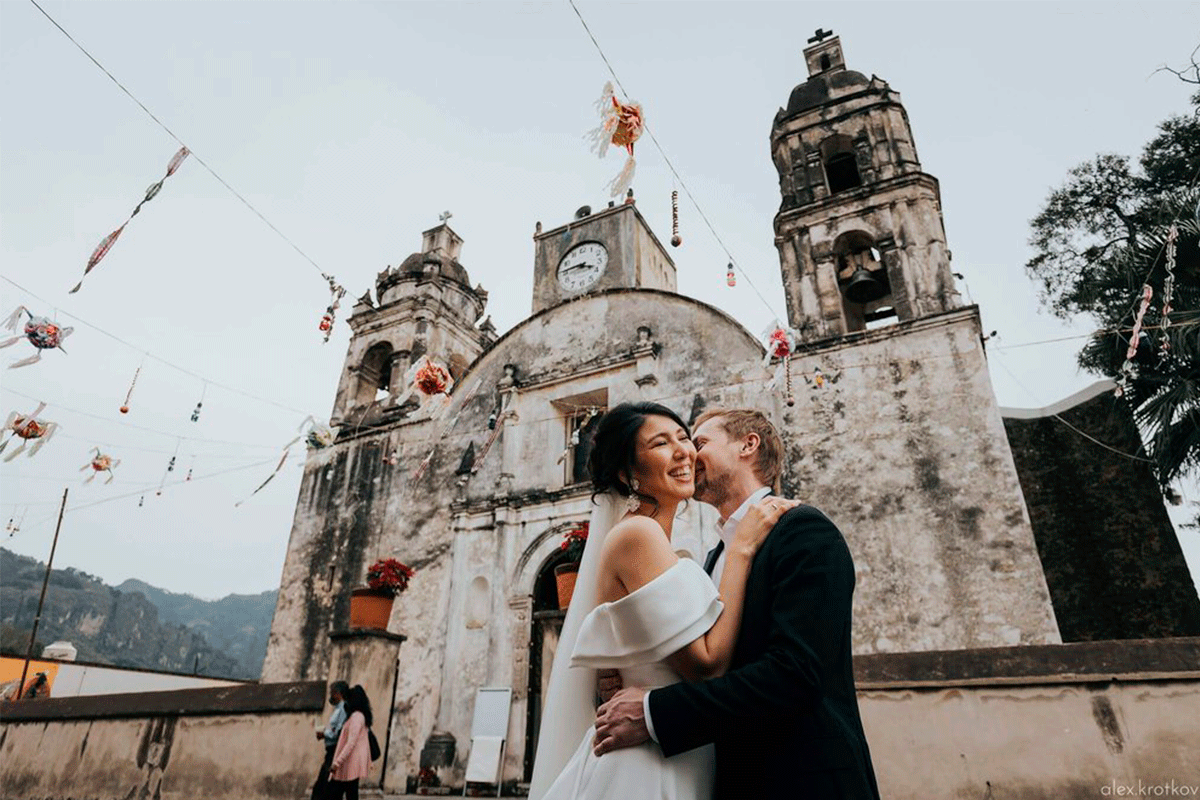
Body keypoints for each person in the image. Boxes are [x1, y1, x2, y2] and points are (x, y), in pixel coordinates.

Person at [593, 408, 881, 799]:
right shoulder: (711, 558)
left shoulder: (802, 530)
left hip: (803, 782)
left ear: (748, 445)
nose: (689, 454)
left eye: (698, 443)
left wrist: (653, 713)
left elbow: (796, 676)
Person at [528, 402, 797, 800]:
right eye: (659, 443)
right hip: (647, 763)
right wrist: (741, 549)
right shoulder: (639, 534)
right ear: (628, 473)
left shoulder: (662, 544)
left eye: (684, 438)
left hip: (681, 750)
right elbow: (706, 665)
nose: (683, 451)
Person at [327, 684, 373, 800]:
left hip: (350, 763)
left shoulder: (357, 717)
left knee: (341, 793)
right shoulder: (357, 716)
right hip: (349, 763)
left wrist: (337, 763)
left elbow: (351, 742)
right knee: (349, 793)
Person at [312, 681, 349, 800]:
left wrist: (324, 733)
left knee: (323, 788)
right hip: (331, 750)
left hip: (335, 751)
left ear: (338, 693)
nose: (331, 696)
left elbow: (338, 733)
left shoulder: (343, 709)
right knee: (326, 787)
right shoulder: (338, 709)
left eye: (332, 693)